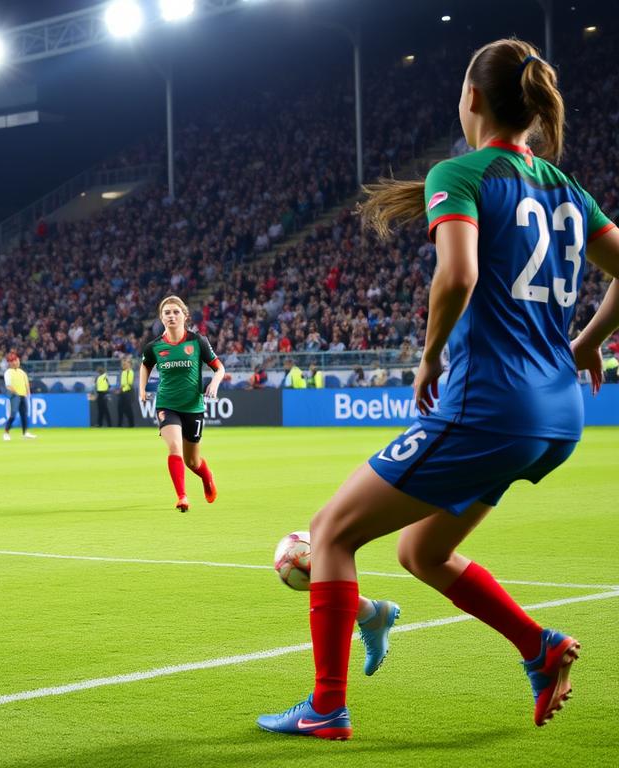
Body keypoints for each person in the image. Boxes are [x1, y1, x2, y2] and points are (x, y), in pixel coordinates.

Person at [258, 40, 619, 739]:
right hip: (558, 415)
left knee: (330, 531)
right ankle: (538, 649)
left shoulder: (461, 172)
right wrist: (588, 343)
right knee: (420, 552)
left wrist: (428, 358)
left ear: (473, 99)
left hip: (490, 403)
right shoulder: (565, 188)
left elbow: (457, 275)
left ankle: (326, 709)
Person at [139, 296, 224, 512]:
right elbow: (145, 365)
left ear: (184, 316)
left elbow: (219, 368)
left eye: (175, 312)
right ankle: (182, 496)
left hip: (193, 406)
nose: (171, 316)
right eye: (167, 313)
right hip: (166, 404)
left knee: (192, 462)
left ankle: (207, 477)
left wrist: (214, 383)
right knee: (174, 446)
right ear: (161, 318)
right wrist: (141, 388)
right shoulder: (155, 346)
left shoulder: (198, 342)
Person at [2, 353, 36, 440]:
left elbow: (26, 383)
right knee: (13, 415)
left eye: (16, 360)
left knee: (24, 415)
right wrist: (16, 394)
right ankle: (6, 433)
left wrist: (28, 392)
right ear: (10, 363)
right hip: (14, 396)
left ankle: (25, 433)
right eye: (13, 361)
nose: (16, 362)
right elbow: (8, 386)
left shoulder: (22, 372)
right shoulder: (8, 372)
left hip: (23, 396)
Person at [117, 356, 137, 427]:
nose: (124, 364)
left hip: (128, 393)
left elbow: (130, 384)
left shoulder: (130, 372)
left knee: (128, 409)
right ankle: (119, 425)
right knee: (120, 409)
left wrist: (121, 389)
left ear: (129, 364)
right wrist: (120, 389)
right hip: (123, 392)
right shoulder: (123, 372)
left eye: (126, 363)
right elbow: (122, 383)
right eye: (124, 363)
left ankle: (131, 425)